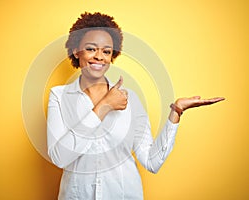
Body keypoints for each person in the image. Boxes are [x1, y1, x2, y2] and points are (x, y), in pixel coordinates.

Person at [47, 12, 224, 200]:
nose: (99, 56)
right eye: (91, 49)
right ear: (76, 51)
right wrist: (104, 106)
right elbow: (60, 158)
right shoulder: (59, 97)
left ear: (112, 56)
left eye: (106, 51)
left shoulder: (131, 100)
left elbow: (151, 162)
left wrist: (177, 111)